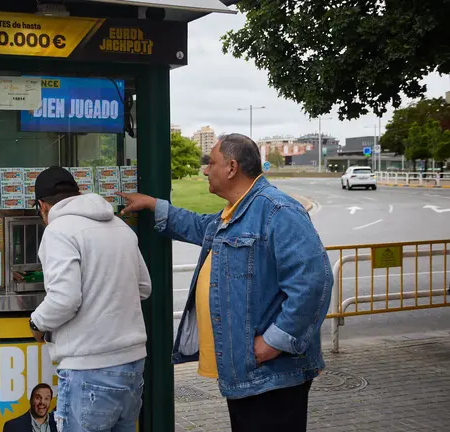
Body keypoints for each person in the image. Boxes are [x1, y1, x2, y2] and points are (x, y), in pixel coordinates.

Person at [118, 133, 332, 432]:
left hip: (272, 372)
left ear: (231, 167)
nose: (206, 169)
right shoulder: (234, 212)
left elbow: (313, 282)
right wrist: (153, 204)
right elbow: (197, 225)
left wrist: (273, 342)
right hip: (246, 370)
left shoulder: (278, 210)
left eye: (212, 162)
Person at [28, 166, 151, 432]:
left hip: (89, 367)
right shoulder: (119, 226)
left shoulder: (58, 230)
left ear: (42, 206)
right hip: (132, 365)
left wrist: (37, 324)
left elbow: (64, 299)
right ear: (78, 193)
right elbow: (143, 287)